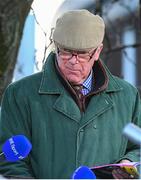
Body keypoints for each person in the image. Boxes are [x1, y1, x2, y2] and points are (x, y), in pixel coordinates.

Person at [0, 9, 140, 179]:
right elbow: (10, 161)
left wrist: (129, 162)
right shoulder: (20, 95)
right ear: (56, 47)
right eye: (66, 52)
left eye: (82, 54)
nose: (73, 61)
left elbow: (138, 147)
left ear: (97, 52)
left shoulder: (127, 97)